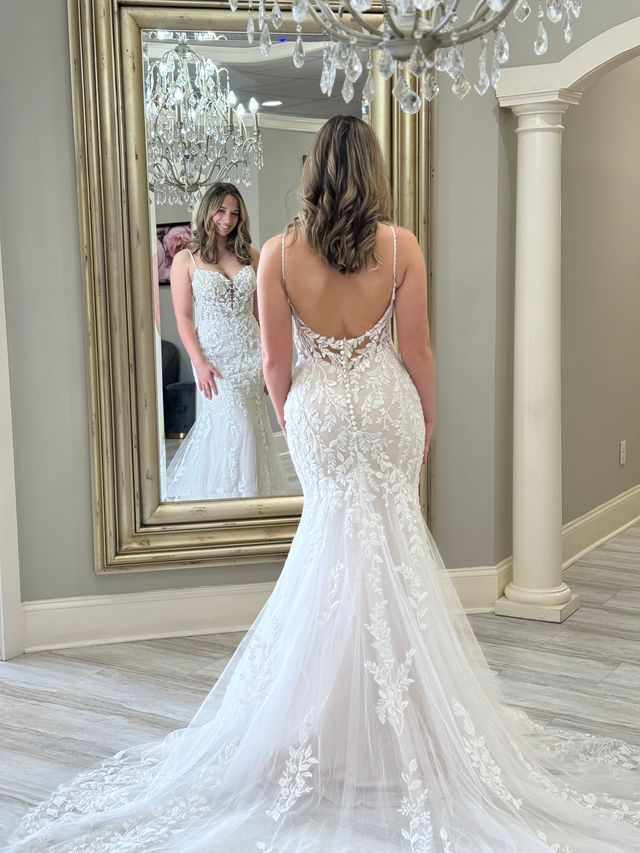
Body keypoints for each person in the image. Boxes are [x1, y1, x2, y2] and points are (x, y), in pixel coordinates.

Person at [5, 117, 640, 852]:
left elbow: (277, 363)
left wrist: (291, 419)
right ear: (370, 172)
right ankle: (401, 721)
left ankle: (334, 726)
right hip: (384, 405)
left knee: (330, 554)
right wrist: (427, 419)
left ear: (311, 174)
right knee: (395, 552)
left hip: (320, 417)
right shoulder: (400, 245)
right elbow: (419, 349)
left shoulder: (276, 254)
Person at [163, 181, 288, 501]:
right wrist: (199, 363)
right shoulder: (185, 260)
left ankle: (253, 502)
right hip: (214, 361)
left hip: (250, 356)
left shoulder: (252, 256)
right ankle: (225, 501)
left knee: (252, 429)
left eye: (234, 213)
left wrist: (268, 360)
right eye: (221, 211)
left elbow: (262, 314)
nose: (227, 219)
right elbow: (183, 319)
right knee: (236, 426)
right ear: (208, 211)